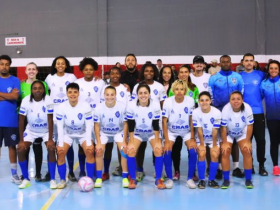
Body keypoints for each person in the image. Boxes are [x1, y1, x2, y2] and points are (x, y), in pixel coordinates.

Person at [208, 55, 245, 179]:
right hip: (218, 112)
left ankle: (235, 167)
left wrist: (235, 107)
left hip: (234, 113)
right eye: (223, 62)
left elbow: (241, 93)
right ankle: (218, 168)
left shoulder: (238, 77)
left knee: (234, 138)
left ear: (231, 62)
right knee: (220, 140)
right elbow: (210, 94)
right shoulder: (214, 78)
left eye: (227, 61)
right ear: (220, 63)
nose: (225, 63)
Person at [18, 81, 57, 189]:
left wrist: (50, 139)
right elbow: (21, 120)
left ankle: (52, 179)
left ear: (43, 90)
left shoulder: (48, 99)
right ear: (31, 90)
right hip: (31, 130)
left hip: (46, 130)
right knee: (20, 149)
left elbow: (50, 119)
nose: (37, 90)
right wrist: (21, 140)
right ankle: (26, 178)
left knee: (51, 148)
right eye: (35, 88)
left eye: (40, 88)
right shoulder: (26, 100)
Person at [131, 63, 166, 182]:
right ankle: (139, 170)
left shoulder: (159, 86)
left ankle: (158, 172)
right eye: (146, 71)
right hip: (139, 125)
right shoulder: (136, 86)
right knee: (138, 148)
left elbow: (162, 105)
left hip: (154, 123)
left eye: (151, 71)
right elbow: (133, 106)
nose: (149, 73)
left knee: (157, 148)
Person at [56, 83, 95, 189]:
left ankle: (90, 179)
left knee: (89, 151)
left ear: (78, 93)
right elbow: (59, 127)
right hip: (67, 134)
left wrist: (88, 143)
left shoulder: (85, 106)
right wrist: (60, 144)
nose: (72, 94)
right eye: (70, 92)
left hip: (82, 133)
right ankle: (62, 180)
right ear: (66, 93)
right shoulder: (61, 107)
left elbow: (88, 126)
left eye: (75, 92)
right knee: (60, 152)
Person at [126, 83, 165, 189]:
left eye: (145, 93)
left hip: (152, 132)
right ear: (137, 94)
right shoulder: (131, 105)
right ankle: (133, 179)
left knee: (158, 150)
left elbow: (156, 124)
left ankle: (158, 179)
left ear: (149, 94)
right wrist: (130, 141)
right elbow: (131, 124)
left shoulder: (155, 104)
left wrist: (157, 141)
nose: (143, 95)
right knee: (131, 150)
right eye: (140, 93)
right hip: (137, 132)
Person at [45, 56, 78, 181]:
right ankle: (50, 171)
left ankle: (71, 171)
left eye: (62, 63)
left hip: (68, 116)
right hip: (53, 117)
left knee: (66, 144)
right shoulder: (49, 78)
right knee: (51, 145)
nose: (60, 65)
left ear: (66, 65)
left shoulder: (71, 77)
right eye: (58, 63)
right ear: (55, 65)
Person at [162, 80, 196, 189]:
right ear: (173, 90)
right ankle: (169, 179)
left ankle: (190, 178)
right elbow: (164, 121)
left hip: (187, 131)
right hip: (171, 131)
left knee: (193, 150)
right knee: (167, 150)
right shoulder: (167, 101)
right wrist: (167, 140)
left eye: (182, 89)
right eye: (177, 89)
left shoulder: (190, 101)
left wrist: (192, 138)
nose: (179, 91)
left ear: (185, 90)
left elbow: (192, 119)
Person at [75, 57, 105, 178]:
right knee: (83, 146)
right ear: (82, 70)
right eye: (86, 69)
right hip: (82, 119)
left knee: (98, 146)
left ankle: (97, 172)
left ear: (94, 70)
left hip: (97, 120)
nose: (88, 71)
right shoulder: (77, 83)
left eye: (91, 69)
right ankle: (82, 170)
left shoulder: (100, 82)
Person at [168, 64, 199, 181]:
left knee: (192, 148)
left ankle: (193, 172)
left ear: (188, 74)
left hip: (189, 123)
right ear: (178, 74)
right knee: (176, 149)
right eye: (181, 72)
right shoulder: (174, 89)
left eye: (186, 72)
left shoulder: (194, 88)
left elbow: (197, 105)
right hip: (176, 125)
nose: (184, 74)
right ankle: (176, 171)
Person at [20, 62, 49, 182]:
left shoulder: (43, 85)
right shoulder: (21, 85)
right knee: (24, 147)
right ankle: (24, 174)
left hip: (40, 119)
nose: (31, 71)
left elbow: (46, 101)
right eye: (29, 69)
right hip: (26, 118)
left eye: (33, 69)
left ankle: (38, 173)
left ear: (37, 71)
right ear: (26, 71)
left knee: (37, 147)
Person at [94, 86, 128, 188]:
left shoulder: (122, 107)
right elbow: (96, 125)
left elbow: (126, 124)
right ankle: (99, 178)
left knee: (124, 150)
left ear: (115, 95)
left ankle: (125, 177)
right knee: (99, 151)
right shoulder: (98, 108)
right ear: (104, 95)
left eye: (112, 94)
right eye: (107, 95)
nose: (109, 97)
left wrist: (125, 141)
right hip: (104, 132)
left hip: (119, 131)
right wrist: (99, 142)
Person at [100, 67, 131, 180]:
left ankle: (122, 168)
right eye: (112, 73)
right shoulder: (105, 88)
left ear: (120, 75)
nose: (114, 75)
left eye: (117, 73)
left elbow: (128, 104)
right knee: (107, 148)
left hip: (121, 124)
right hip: (107, 124)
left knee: (121, 148)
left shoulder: (124, 88)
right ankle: (106, 171)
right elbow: (102, 104)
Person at [240, 53, 268, 175]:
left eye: (251, 60)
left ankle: (261, 166)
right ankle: (249, 165)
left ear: (254, 62)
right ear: (243, 62)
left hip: (258, 113)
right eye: (247, 60)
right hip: (243, 113)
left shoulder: (261, 75)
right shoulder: (238, 76)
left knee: (261, 140)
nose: (249, 63)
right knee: (247, 140)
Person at [220, 91, 254, 189]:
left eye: (238, 99)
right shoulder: (226, 109)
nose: (236, 101)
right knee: (225, 152)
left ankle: (248, 179)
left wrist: (247, 141)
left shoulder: (247, 108)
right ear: (229, 101)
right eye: (233, 99)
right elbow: (223, 128)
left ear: (242, 100)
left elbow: (250, 125)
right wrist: (225, 143)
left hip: (241, 133)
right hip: (229, 133)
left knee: (247, 151)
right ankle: (226, 180)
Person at [113, 53, 139, 176]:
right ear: (125, 63)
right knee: (122, 140)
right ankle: (121, 165)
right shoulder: (121, 76)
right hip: (122, 114)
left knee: (136, 140)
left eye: (132, 60)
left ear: (136, 63)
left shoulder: (140, 75)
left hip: (138, 112)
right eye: (128, 60)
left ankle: (137, 166)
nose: (130, 62)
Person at [192, 91, 221, 189]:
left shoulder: (217, 112)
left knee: (214, 154)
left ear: (210, 101)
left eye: (207, 100)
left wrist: (214, 145)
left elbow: (215, 130)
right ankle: (202, 180)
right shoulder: (195, 112)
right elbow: (199, 130)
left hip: (213, 138)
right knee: (202, 153)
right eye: (202, 100)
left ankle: (211, 180)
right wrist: (201, 144)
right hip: (201, 138)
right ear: (199, 101)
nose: (204, 102)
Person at [0, 54, 21, 184]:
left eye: (7, 64)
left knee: (12, 147)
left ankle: (14, 174)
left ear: (10, 66)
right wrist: (9, 95)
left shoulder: (15, 80)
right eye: (2, 64)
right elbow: (11, 95)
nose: (4, 66)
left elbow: (15, 97)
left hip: (11, 120)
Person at [260, 60, 280, 176]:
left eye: (275, 68)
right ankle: (276, 166)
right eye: (271, 68)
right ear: (268, 70)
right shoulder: (264, 83)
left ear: (278, 70)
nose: (273, 70)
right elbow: (259, 98)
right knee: (274, 142)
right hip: (272, 118)